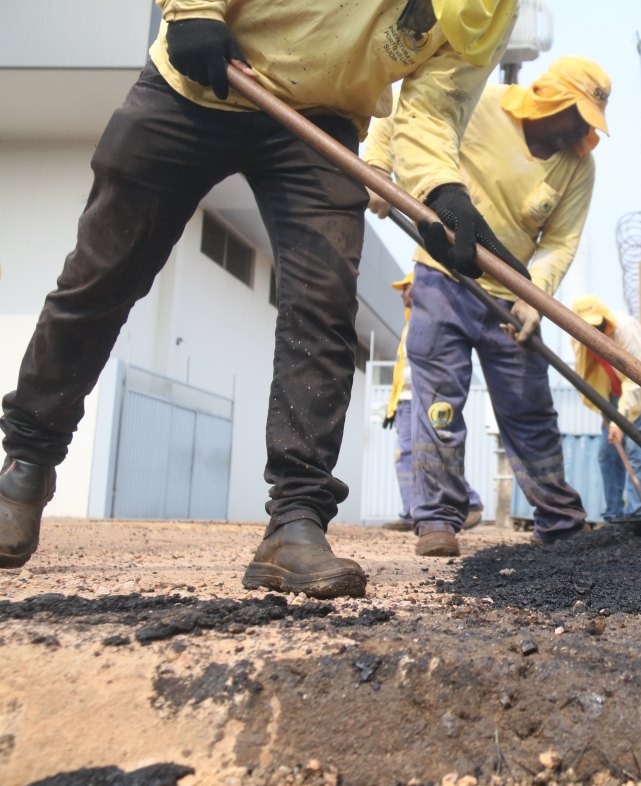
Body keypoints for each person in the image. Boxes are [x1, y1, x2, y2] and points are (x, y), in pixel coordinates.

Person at [0, 0, 520, 597]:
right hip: (199, 81)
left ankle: (295, 522)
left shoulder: (490, 9)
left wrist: (439, 188)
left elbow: (434, 108)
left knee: (323, 314)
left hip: (321, 123)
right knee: (100, 278)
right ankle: (27, 465)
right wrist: (196, 9)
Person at [363, 56, 610, 556]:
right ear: (550, 98)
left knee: (530, 412)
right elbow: (410, 111)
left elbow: (559, 242)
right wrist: (377, 168)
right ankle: (437, 519)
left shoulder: (579, 166)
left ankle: (559, 520)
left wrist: (531, 297)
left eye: (590, 121)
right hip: (441, 277)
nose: (582, 130)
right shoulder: (483, 103)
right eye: (577, 116)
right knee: (438, 406)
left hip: (509, 299)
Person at [381, 272, 483, 532]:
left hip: (422, 395)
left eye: (406, 287)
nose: (403, 293)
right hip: (405, 400)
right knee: (407, 455)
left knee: (433, 450)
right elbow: (400, 372)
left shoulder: (432, 321)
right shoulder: (409, 326)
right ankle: (411, 511)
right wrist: (392, 406)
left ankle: (467, 502)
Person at [570, 295, 641, 522]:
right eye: (588, 327)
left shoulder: (625, 331)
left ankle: (639, 515)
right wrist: (611, 415)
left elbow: (635, 379)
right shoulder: (578, 340)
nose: (595, 332)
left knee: (634, 453)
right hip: (611, 396)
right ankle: (614, 516)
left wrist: (619, 421)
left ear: (606, 319)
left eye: (598, 325)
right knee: (608, 454)